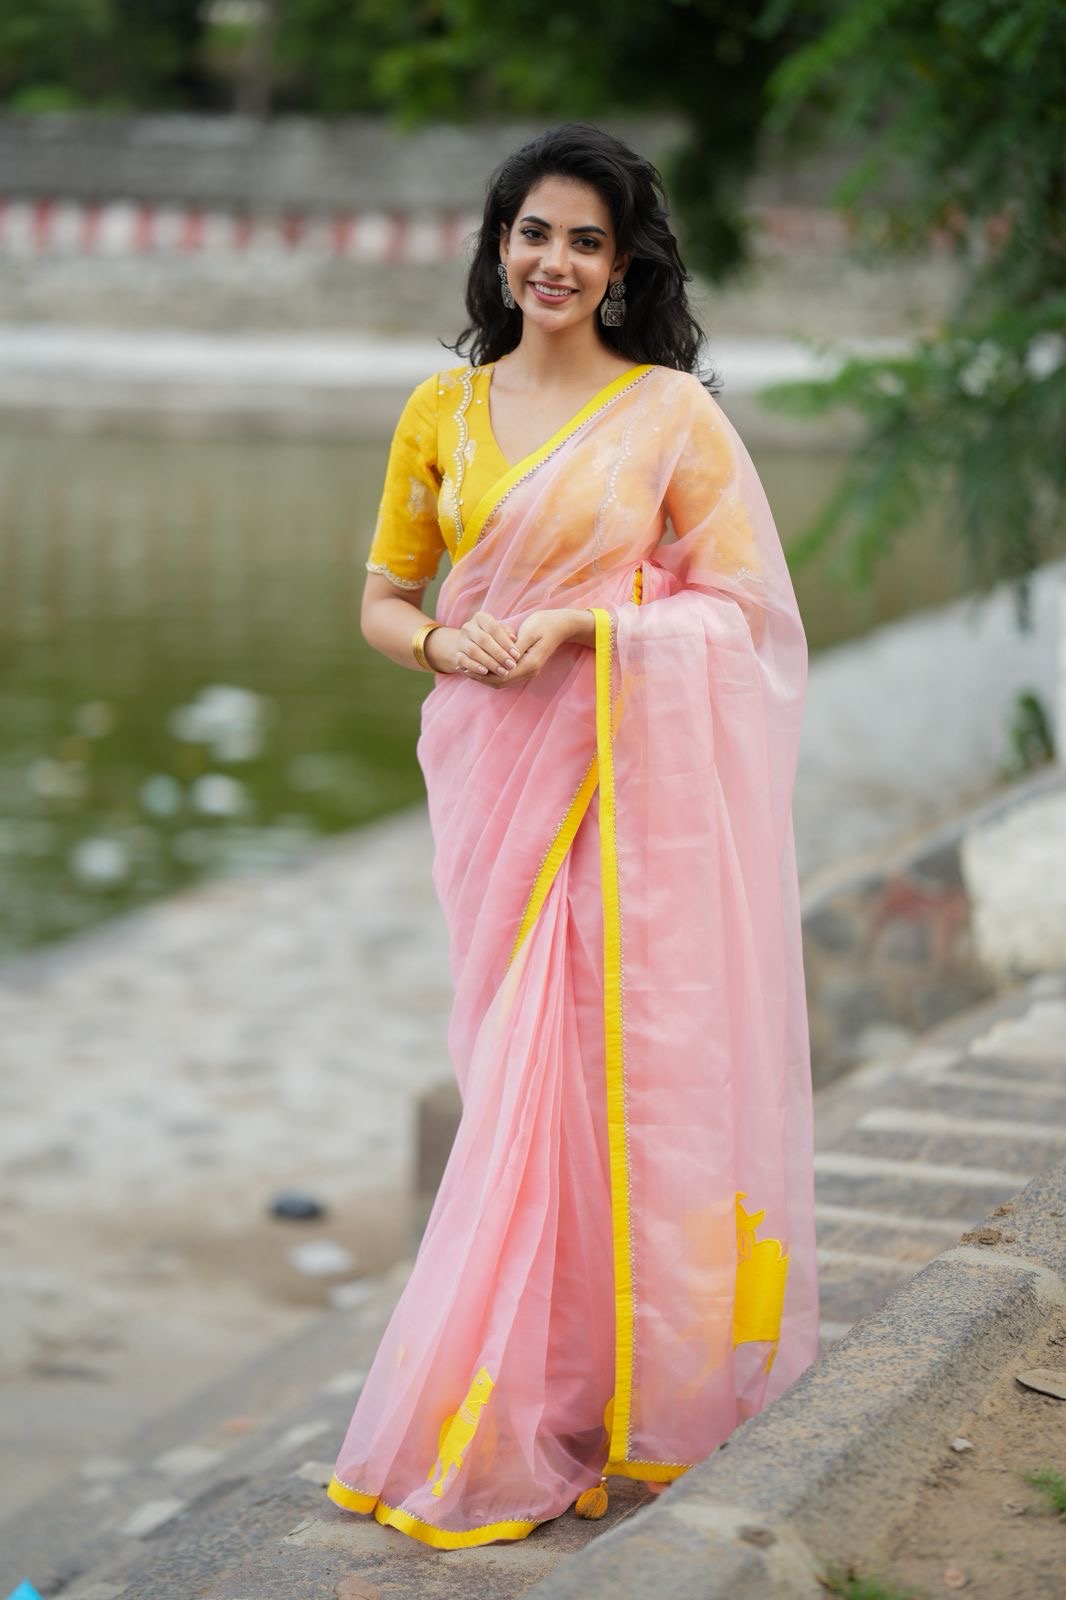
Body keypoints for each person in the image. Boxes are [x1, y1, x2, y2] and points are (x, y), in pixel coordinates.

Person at [326, 121, 819, 1550]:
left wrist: (588, 630)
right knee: (514, 1087)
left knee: (621, 1082)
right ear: (498, 247)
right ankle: (519, 1396)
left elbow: (747, 617)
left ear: (623, 267)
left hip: (619, 791)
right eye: (533, 232)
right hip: (493, 779)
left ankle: (628, 1397)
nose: (553, 261)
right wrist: (445, 644)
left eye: (585, 241)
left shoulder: (669, 416)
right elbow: (383, 603)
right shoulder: (441, 411)